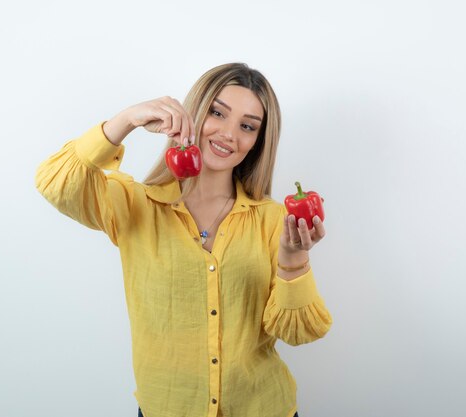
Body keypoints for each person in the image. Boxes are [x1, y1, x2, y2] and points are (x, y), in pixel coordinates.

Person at [35, 63, 332, 417]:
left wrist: (293, 259)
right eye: (217, 113)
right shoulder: (135, 204)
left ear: (257, 142)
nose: (228, 134)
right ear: (194, 112)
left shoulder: (272, 219)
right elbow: (55, 181)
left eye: (247, 126)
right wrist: (126, 119)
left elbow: (298, 332)